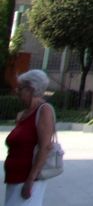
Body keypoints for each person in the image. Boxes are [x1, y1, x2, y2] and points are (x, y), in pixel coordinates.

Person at [4, 69, 56, 206]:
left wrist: (30, 180)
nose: (17, 92)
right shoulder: (22, 114)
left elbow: (44, 147)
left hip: (27, 179)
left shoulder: (44, 110)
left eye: (20, 88)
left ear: (31, 90)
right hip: (14, 177)